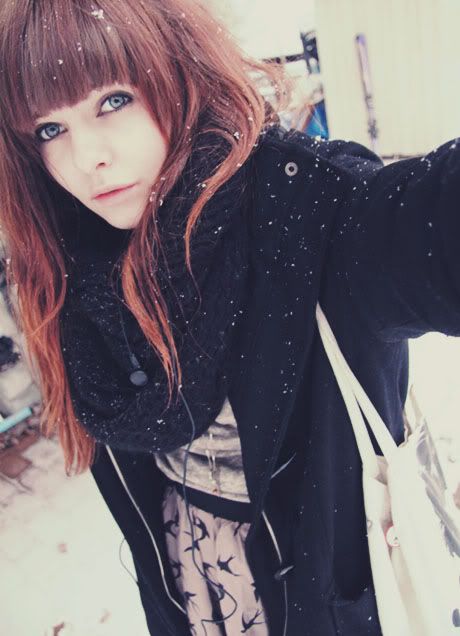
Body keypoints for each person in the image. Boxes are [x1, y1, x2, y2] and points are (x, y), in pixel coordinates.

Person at [0, 1, 458, 635]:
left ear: (179, 69)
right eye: (50, 128)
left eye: (112, 101)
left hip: (322, 600)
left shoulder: (309, 212)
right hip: (188, 587)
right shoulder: (72, 261)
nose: (86, 158)